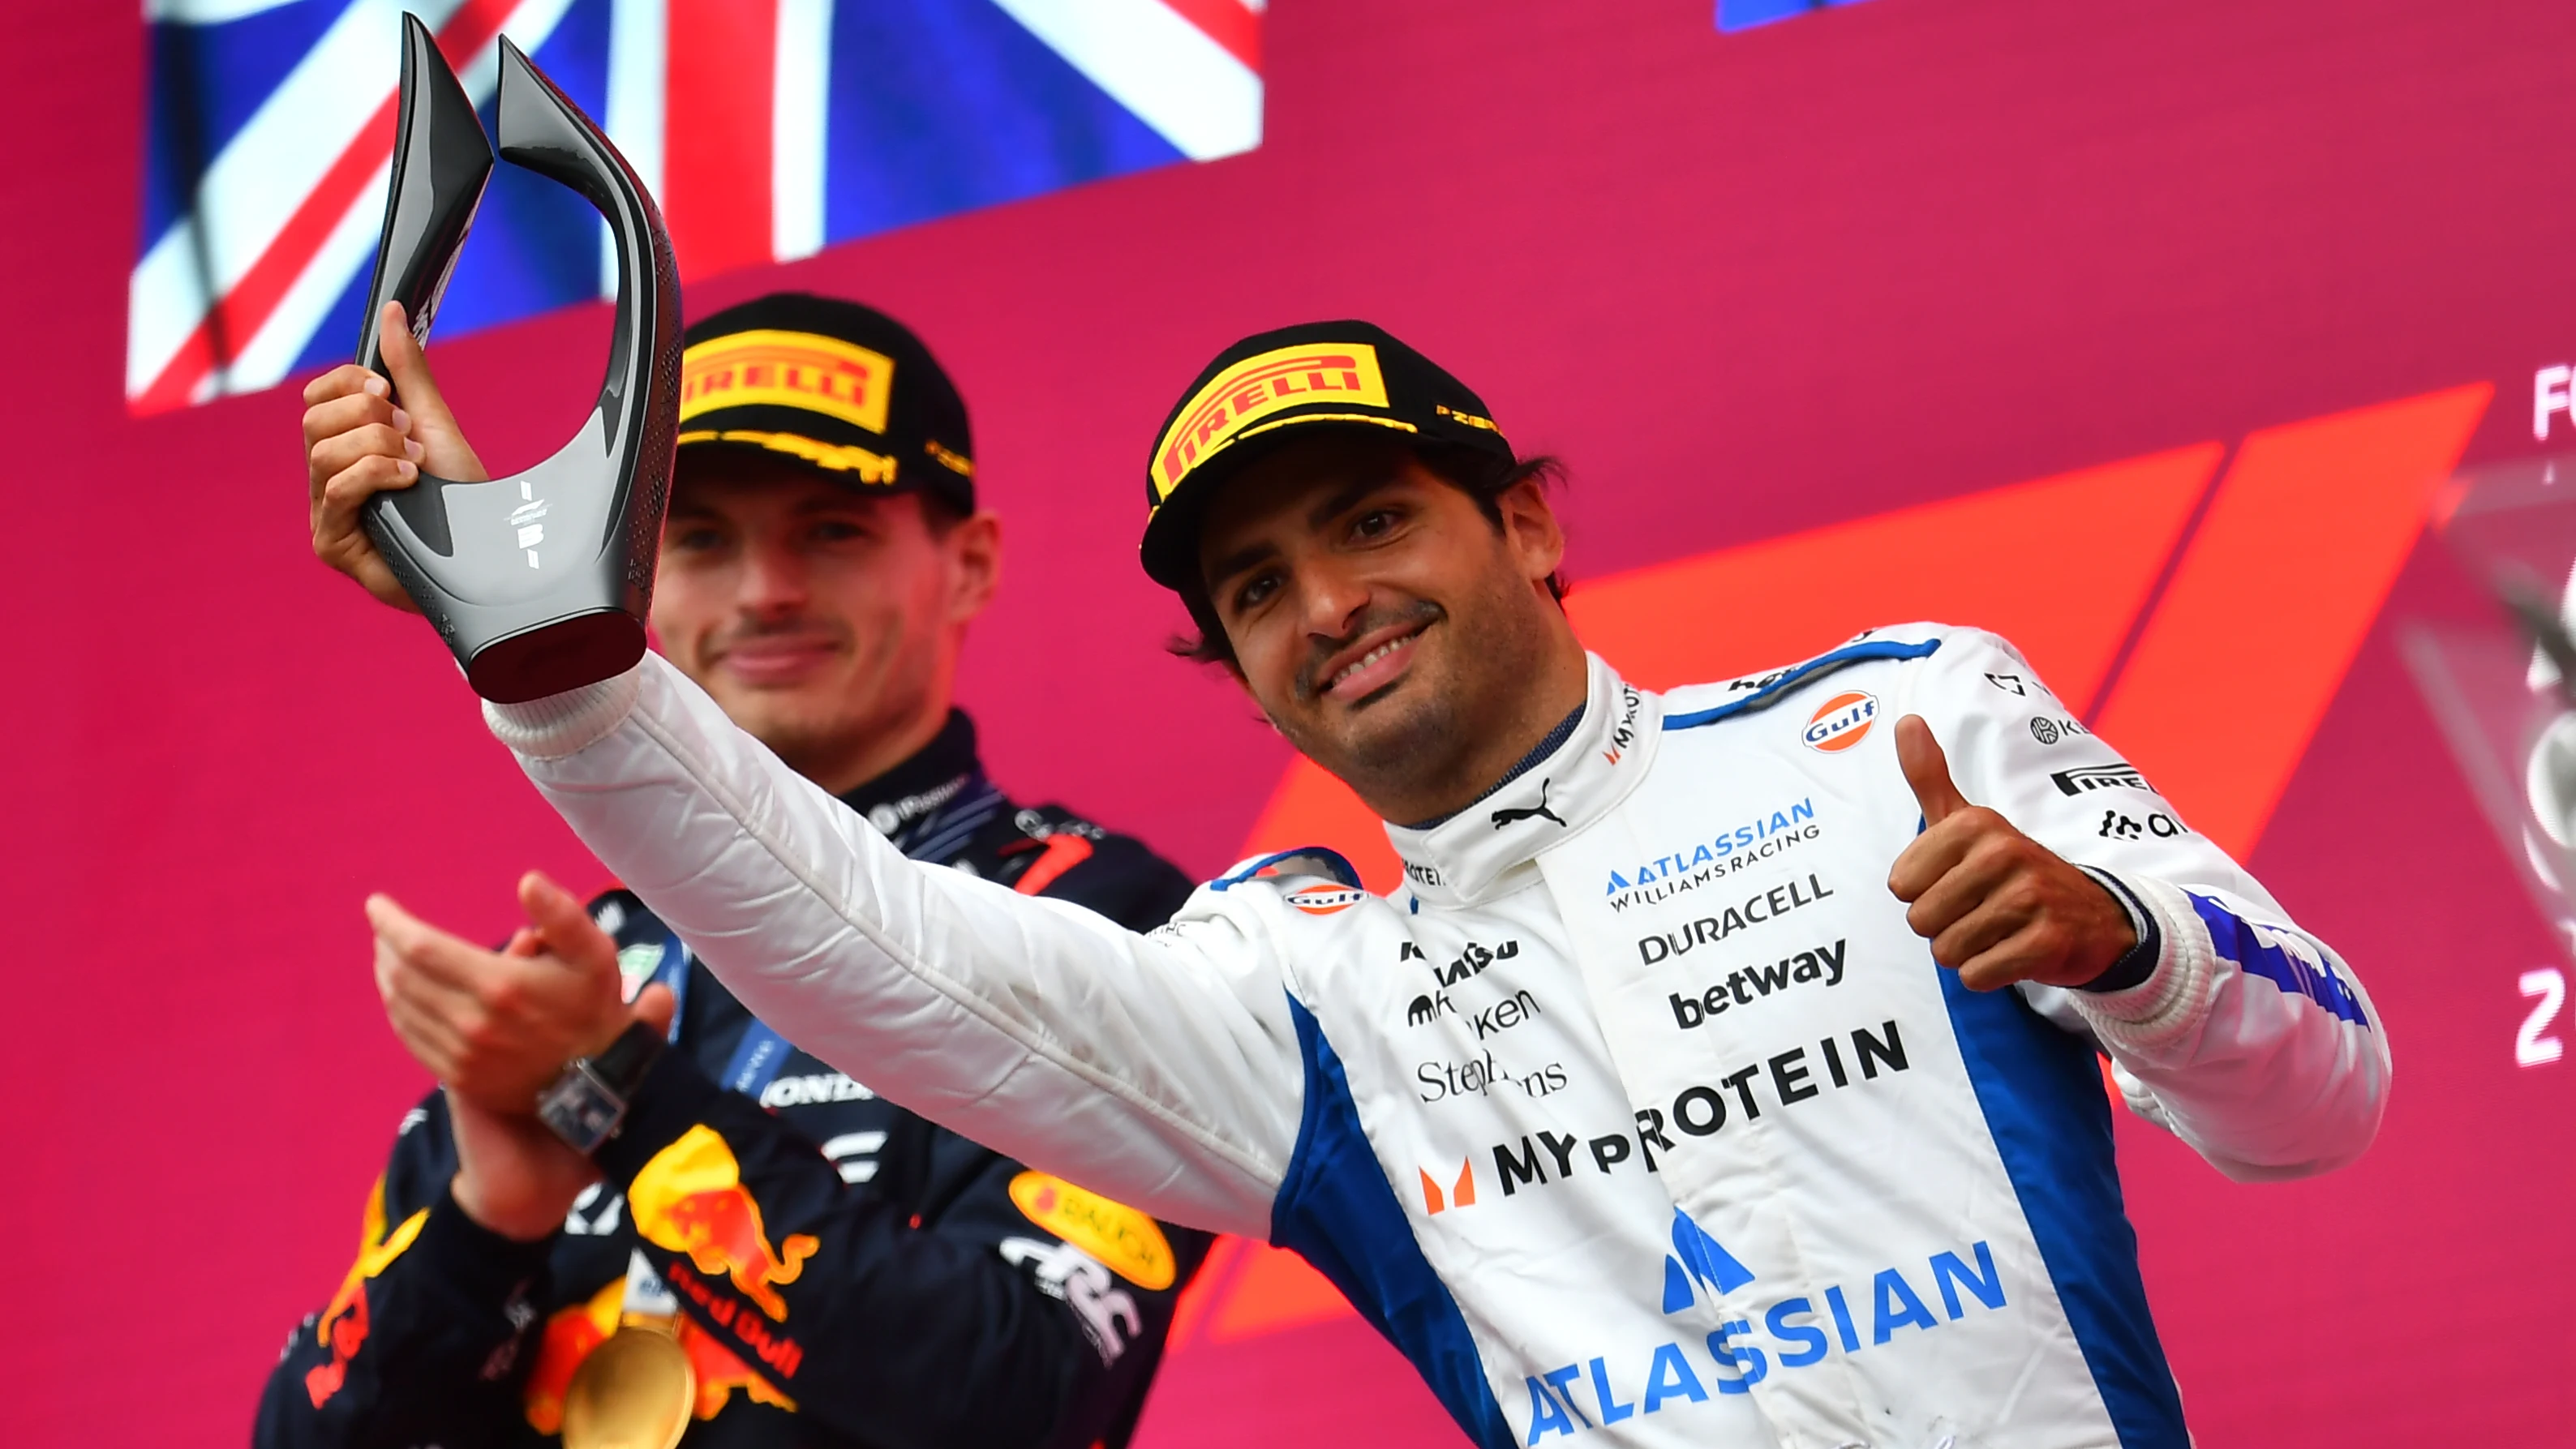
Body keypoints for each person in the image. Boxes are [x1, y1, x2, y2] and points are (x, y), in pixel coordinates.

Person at [311, 318, 2389, 1448]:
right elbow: (869, 936)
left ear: (1526, 524)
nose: (1327, 604)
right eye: (1253, 587)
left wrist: (2134, 952)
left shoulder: (1892, 724)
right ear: (1233, 671)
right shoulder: (1294, 984)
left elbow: (2318, 1105)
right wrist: (553, 657)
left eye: (1374, 519)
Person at [268, 294, 1211, 1449]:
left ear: (969, 565)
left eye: (832, 530)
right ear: (638, 571)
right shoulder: (574, 978)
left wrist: (621, 1100)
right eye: (704, 539)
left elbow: (1023, 1396)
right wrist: (486, 1230)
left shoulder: (1099, 916)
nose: (766, 590)